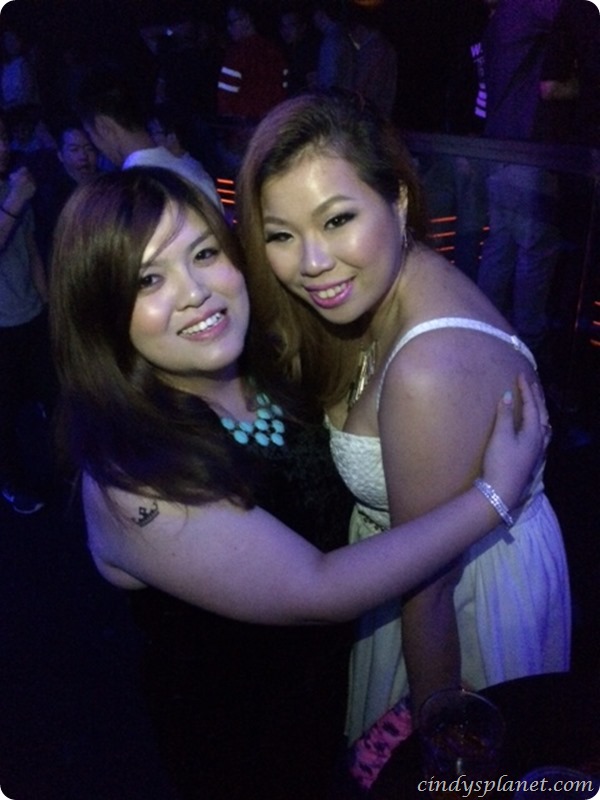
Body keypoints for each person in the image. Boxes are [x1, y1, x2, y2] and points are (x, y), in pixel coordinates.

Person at [50, 166, 544, 799]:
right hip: (241, 738)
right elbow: (318, 586)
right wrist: (493, 497)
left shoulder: (267, 365)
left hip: (330, 693)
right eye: (150, 279)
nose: (195, 292)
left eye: (205, 254)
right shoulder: (133, 476)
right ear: (101, 313)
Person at [236, 92, 571, 789]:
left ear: (398, 199)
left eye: (338, 219)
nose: (312, 262)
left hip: (461, 608)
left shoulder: (427, 369)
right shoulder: (381, 290)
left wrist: (442, 762)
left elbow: (430, 591)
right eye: (281, 234)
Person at [0, 111, 54, 515]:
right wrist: (15, 202)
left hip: (32, 316)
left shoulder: (13, 183)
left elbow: (33, 250)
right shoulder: (15, 192)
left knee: (53, 396)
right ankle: (12, 481)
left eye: (4, 138)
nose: (3, 147)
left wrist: (49, 307)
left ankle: (67, 470)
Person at [75, 70, 221, 208]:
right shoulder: (191, 167)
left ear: (103, 127)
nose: (97, 146)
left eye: (90, 133)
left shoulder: (132, 192)